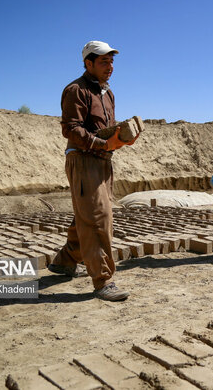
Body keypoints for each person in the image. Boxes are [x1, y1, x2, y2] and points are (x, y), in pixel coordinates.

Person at [48, 40, 136, 301]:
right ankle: (103, 281)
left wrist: (121, 137)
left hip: (103, 162)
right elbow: (71, 128)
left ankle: (65, 261)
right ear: (88, 63)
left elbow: (104, 130)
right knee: (98, 219)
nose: (110, 67)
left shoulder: (108, 94)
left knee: (87, 214)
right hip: (83, 160)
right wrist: (102, 143)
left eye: (111, 62)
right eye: (103, 62)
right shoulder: (76, 90)